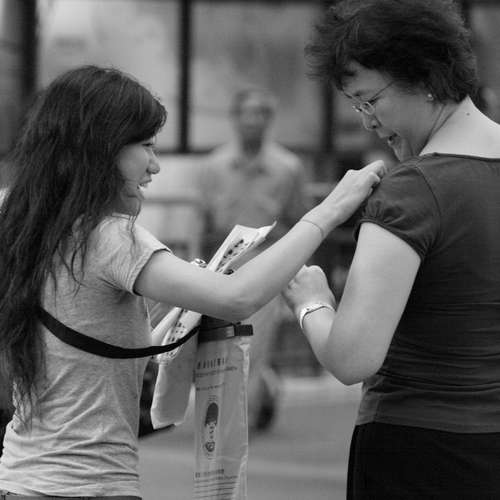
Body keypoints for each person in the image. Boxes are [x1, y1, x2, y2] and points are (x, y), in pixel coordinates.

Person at [0, 65, 384, 498]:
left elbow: (84, 348)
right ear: (101, 148)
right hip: (84, 485)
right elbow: (237, 297)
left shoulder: (23, 224)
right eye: (146, 146)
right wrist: (331, 209)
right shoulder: (109, 237)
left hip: (20, 476)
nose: (155, 165)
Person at [282, 1, 500, 498]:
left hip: (418, 447)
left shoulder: (413, 190)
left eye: (369, 100)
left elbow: (351, 357)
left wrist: (311, 303)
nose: (366, 122)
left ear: (424, 77)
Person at [198, 87, 309, 431]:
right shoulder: (213, 165)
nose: (252, 121)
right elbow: (202, 222)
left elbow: (301, 223)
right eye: (246, 113)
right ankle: (261, 394)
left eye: (260, 113)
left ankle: (236, 422)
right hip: (220, 266)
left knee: (253, 344)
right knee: (219, 343)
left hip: (265, 263)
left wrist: (298, 276)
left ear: (268, 120)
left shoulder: (288, 167)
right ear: (234, 118)